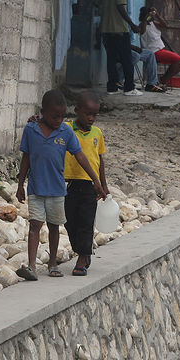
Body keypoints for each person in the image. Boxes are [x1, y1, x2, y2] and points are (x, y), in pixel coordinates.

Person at [16, 90, 106, 280]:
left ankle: (62, 261)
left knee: (62, 225)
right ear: (43, 112)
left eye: (61, 116)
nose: (58, 120)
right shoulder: (32, 130)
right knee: (37, 225)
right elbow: (26, 158)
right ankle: (31, 266)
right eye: (54, 116)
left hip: (64, 188)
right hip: (42, 187)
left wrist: (96, 181)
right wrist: (19, 184)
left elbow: (82, 156)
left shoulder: (66, 132)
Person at [64, 91, 108, 276]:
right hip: (70, 184)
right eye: (87, 113)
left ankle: (83, 257)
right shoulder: (66, 129)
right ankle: (80, 249)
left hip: (90, 185)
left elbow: (100, 160)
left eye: (94, 114)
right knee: (69, 220)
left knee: (86, 221)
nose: (91, 118)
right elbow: (48, 126)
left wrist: (103, 184)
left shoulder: (97, 133)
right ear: (77, 111)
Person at [96, 0, 141, 96]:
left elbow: (96, 2)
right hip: (120, 30)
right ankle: (129, 88)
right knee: (126, 59)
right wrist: (132, 25)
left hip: (106, 30)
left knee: (111, 59)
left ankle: (112, 87)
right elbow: (120, 7)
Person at [138, 7, 180, 88]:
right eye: (151, 14)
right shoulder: (142, 25)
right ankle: (163, 81)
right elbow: (142, 30)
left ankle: (163, 80)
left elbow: (165, 25)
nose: (153, 16)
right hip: (153, 52)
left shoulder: (153, 23)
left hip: (160, 51)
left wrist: (157, 15)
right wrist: (146, 18)